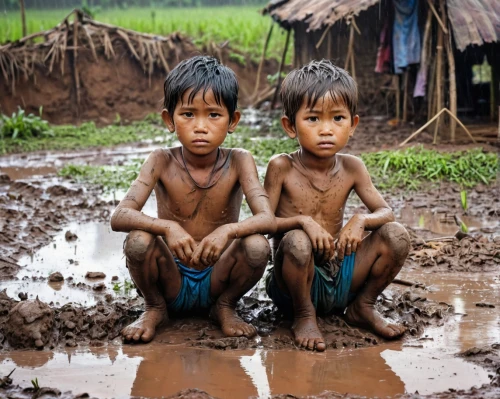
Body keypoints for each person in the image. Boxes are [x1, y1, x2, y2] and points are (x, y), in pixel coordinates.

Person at [111, 55, 276, 343]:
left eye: (214, 114)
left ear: (233, 120)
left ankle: (224, 306)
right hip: (171, 276)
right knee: (138, 240)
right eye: (188, 114)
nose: (201, 126)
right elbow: (120, 215)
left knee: (256, 246)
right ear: (169, 119)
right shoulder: (160, 160)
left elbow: (267, 219)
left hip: (218, 276)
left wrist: (227, 230)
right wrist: (167, 228)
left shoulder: (239, 161)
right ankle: (155, 307)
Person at [263, 60, 411, 352]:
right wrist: (301, 221)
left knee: (396, 235)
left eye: (338, 119)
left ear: (353, 124)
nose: (326, 130)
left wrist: (360, 221)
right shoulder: (281, 167)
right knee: (297, 241)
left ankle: (363, 306)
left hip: (339, 274)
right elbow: (263, 223)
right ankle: (305, 316)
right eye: (313, 119)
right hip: (293, 281)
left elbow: (386, 213)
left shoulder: (352, 167)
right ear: (290, 126)